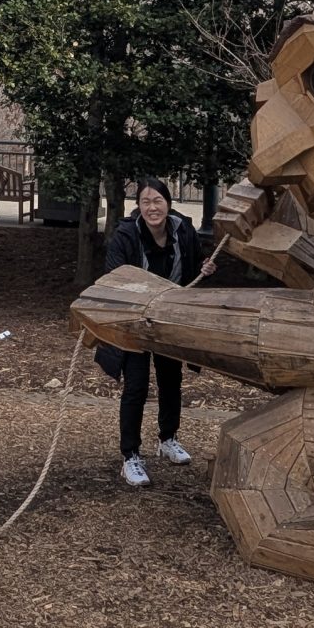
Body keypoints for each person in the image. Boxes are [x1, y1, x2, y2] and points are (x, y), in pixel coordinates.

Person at [96, 178, 212, 487]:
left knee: (171, 381)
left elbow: (192, 266)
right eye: (145, 202)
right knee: (136, 387)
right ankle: (130, 456)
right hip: (135, 322)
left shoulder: (183, 231)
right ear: (138, 206)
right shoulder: (125, 235)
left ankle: (168, 439)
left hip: (168, 321)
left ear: (168, 203)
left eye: (157, 201)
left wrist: (205, 268)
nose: (152, 208)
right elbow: (114, 276)